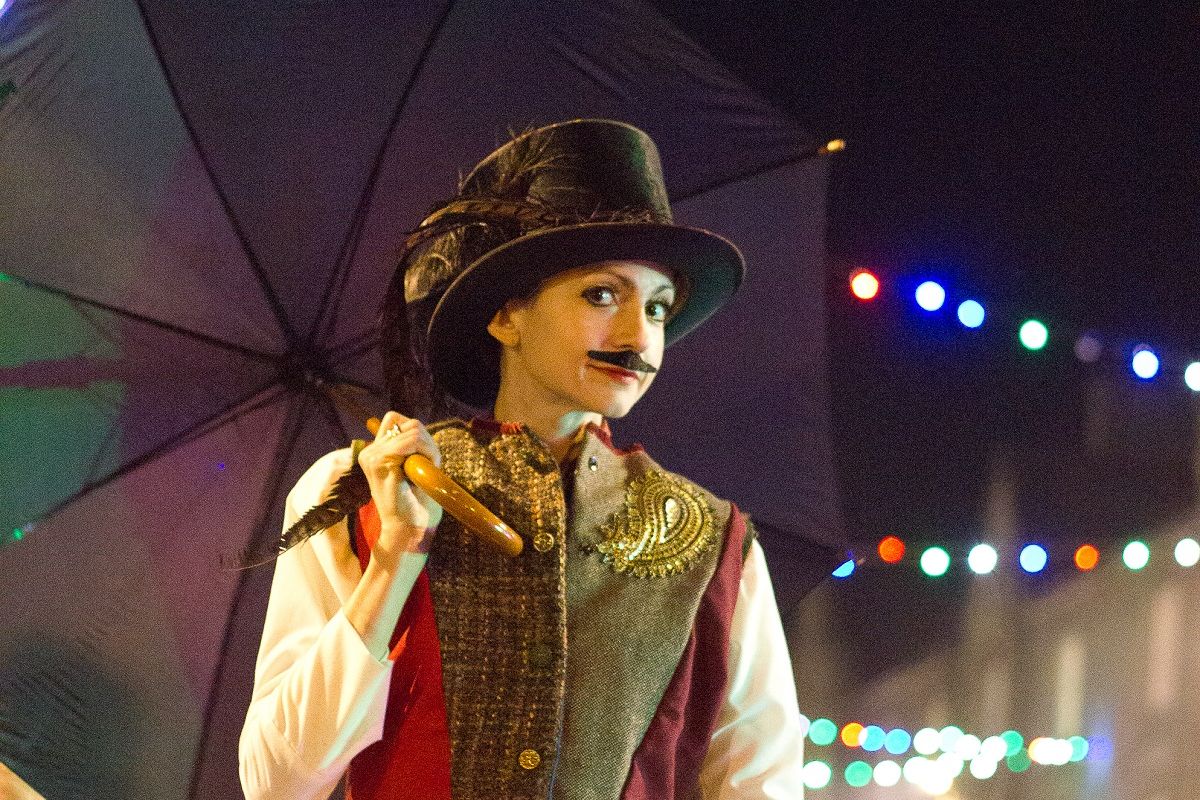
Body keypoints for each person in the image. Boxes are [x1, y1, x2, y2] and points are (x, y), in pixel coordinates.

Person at [239, 119, 805, 799]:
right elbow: (275, 782)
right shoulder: (360, 492)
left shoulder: (712, 540)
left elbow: (759, 783)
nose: (639, 338)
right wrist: (392, 562)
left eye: (657, 308)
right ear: (507, 316)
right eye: (601, 294)